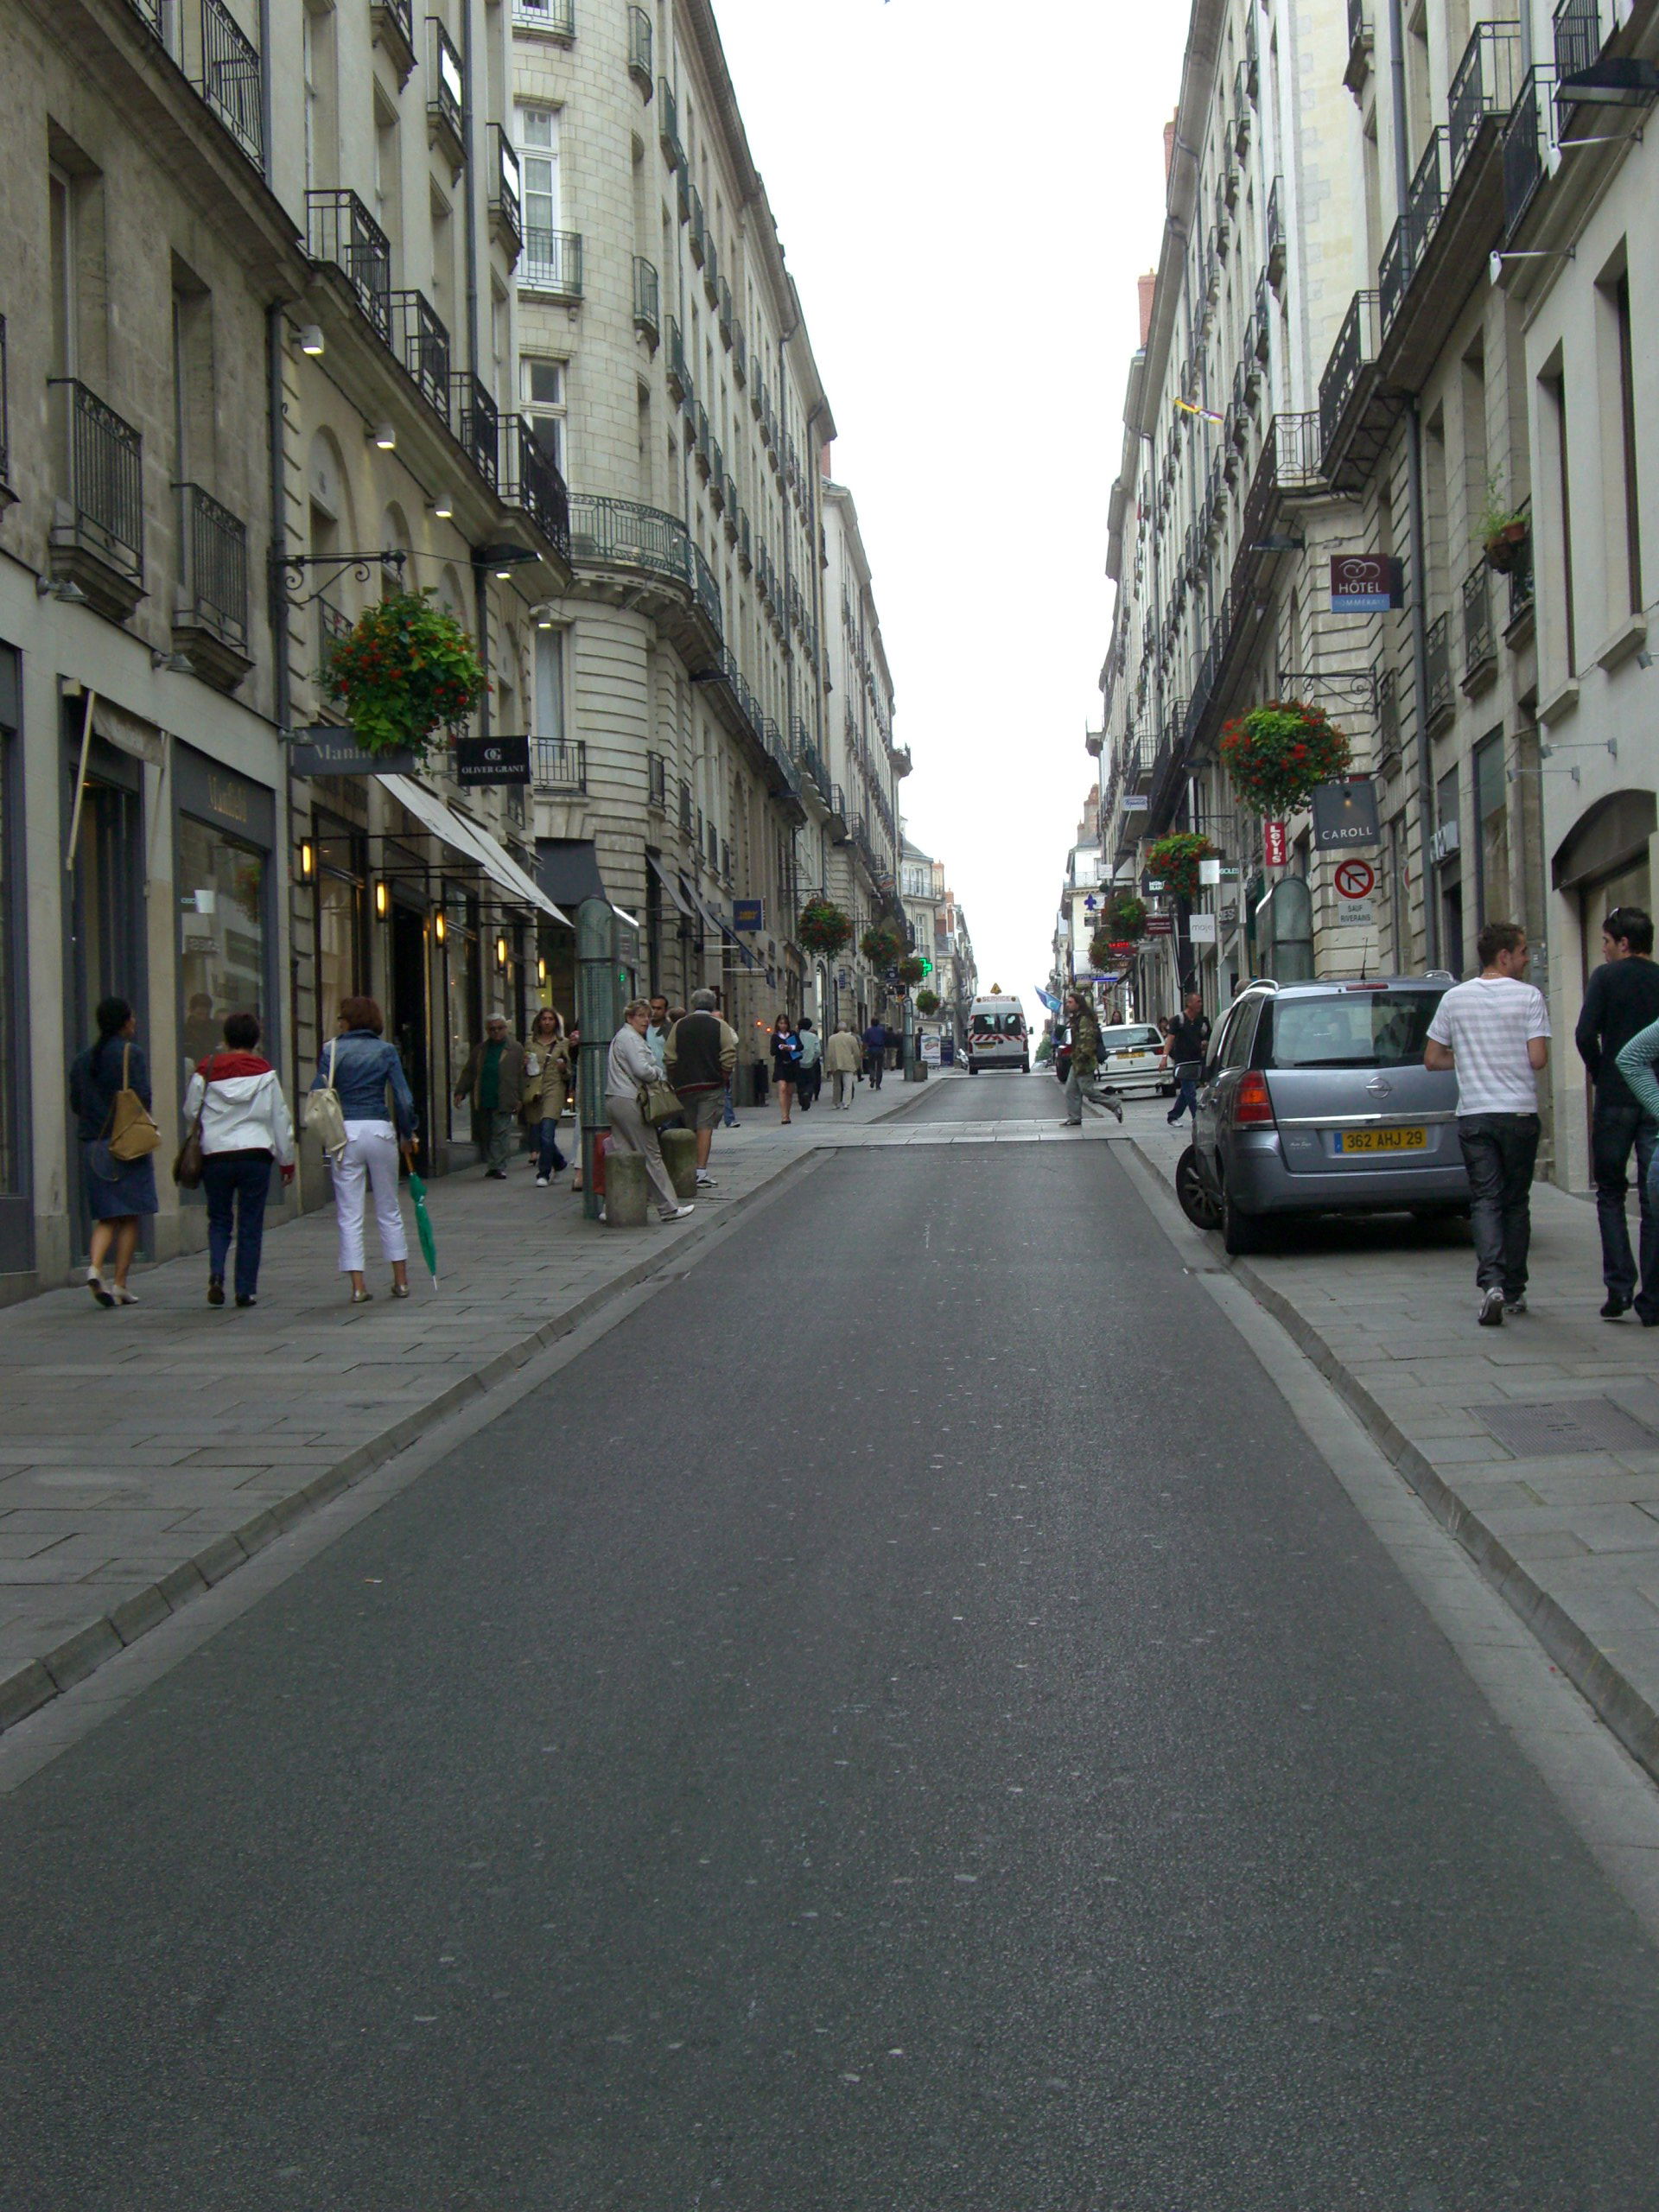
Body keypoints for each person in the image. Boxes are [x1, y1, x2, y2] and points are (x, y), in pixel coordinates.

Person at [1425, 920, 1550, 1327]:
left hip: (1476, 1113)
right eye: (1524, 951)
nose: (1528, 959)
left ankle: (1491, 1283)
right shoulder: (1529, 997)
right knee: (1515, 1202)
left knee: (1484, 1199)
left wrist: (1473, 1060)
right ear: (1504, 956)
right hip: (1518, 1113)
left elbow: (1433, 1059)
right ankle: (1514, 1290)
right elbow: (1537, 1059)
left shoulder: (1454, 999)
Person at [1574, 906, 1659, 1321]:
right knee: (1652, 1196)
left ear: (1624, 943)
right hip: (1654, 1098)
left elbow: (1584, 1033)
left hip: (1614, 1098)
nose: (1603, 950)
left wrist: (1600, 1069)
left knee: (1609, 1192)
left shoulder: (1605, 978)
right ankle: (1653, 1297)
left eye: (1606, 942)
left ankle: (1619, 1287)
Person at [181, 1011, 296, 1308]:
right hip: (255, 1154)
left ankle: (217, 1272)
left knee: (218, 1219)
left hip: (216, 1154)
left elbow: (191, 1111)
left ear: (226, 1038)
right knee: (250, 1223)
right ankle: (245, 1289)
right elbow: (280, 1119)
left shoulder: (205, 1071)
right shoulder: (265, 1073)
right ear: (255, 1039)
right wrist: (287, 1160)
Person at [313, 995, 418, 1304]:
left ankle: (358, 1286)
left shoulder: (331, 1050)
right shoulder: (386, 1051)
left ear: (349, 1020)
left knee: (349, 1211)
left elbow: (317, 1091)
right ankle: (401, 1280)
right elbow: (402, 1096)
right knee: (389, 1208)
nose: (339, 1021)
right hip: (380, 1129)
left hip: (345, 1132)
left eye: (342, 1017)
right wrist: (407, 1131)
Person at [69, 996, 158, 1308]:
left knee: (107, 1216)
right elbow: (143, 1097)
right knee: (130, 1215)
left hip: (94, 1145)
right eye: (132, 1018)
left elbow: (75, 1103)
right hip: (126, 1142)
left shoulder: (83, 1059)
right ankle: (120, 1282)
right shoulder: (130, 1054)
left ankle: (95, 1266)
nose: (135, 1022)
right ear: (124, 1022)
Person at [605, 999, 696, 1222]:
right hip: (631, 1099)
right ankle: (669, 1207)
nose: (646, 1020)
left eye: (647, 1015)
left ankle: (613, 1207)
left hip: (615, 1097)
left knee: (624, 1153)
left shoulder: (621, 1037)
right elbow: (642, 1070)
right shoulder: (631, 1039)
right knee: (651, 1153)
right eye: (640, 1016)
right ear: (630, 1018)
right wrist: (657, 1071)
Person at [666, 987, 739, 1188]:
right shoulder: (719, 1025)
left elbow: (670, 1056)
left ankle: (687, 1168)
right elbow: (728, 1052)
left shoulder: (680, 1025)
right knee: (705, 1127)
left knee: (690, 1127)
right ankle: (700, 1171)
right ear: (713, 1004)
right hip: (711, 1083)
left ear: (693, 1004)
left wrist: (675, 1076)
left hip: (685, 1085)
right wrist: (724, 1074)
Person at [454, 1013, 527, 1179]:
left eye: (500, 1028)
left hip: (505, 1096)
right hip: (484, 1096)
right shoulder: (480, 1050)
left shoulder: (515, 1048)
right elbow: (469, 1072)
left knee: (501, 1132)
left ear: (506, 1029)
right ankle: (493, 1163)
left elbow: (522, 1076)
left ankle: (498, 1165)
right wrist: (460, 1091)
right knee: (487, 1133)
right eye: (492, 1029)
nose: (496, 1032)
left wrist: (520, 1098)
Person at [522, 1007, 574, 1187]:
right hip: (535, 1089)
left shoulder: (562, 1043)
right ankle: (559, 1162)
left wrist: (563, 1069)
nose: (547, 1022)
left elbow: (569, 1073)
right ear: (538, 1022)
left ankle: (543, 1173)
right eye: (544, 1019)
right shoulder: (530, 1043)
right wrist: (524, 1065)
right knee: (539, 1131)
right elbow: (524, 1071)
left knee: (547, 1131)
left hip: (554, 1088)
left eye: (551, 1019)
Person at [1162, 992, 1211, 1126]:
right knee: (1190, 1092)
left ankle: (1173, 1116)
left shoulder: (1202, 1021)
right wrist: (1164, 1057)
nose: (1200, 1004)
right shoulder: (1178, 1020)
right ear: (1189, 1003)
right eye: (1198, 1002)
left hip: (1196, 1061)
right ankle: (1198, 1119)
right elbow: (1170, 1039)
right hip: (1183, 1061)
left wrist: (1205, 1043)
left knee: (1186, 1091)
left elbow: (1207, 1037)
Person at [771, 1014, 803, 1122]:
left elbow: (800, 1046)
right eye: (781, 1023)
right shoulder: (775, 1036)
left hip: (792, 1064)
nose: (783, 1026)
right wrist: (781, 1047)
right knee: (783, 1088)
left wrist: (791, 1047)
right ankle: (784, 1116)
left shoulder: (793, 1034)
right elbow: (772, 1052)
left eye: (784, 1023)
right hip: (781, 1065)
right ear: (777, 1024)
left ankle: (788, 1113)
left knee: (789, 1091)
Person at [825, 1020, 863, 1109]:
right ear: (846, 1029)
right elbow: (857, 1053)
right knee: (848, 1084)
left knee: (836, 1084)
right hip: (848, 1063)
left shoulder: (831, 1038)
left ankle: (836, 1102)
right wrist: (857, 1064)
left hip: (836, 1063)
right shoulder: (851, 1038)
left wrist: (829, 1066)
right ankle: (846, 1103)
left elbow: (829, 1053)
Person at [796, 1018, 823, 1110]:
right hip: (810, 1064)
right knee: (810, 1082)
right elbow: (818, 1051)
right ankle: (808, 1093)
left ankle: (802, 1100)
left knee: (800, 1083)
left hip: (798, 1064)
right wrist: (813, 1059)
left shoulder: (796, 1036)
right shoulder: (813, 1036)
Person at [645, 995, 671, 1073]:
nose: (654, 1012)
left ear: (665, 1010)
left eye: (659, 1009)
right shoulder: (642, 1028)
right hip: (646, 1075)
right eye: (652, 1008)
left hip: (666, 1077)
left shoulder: (671, 1029)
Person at [863, 1016, 887, 1090]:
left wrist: (864, 1050)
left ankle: (872, 1076)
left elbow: (864, 1042)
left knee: (871, 1065)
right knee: (879, 1067)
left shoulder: (868, 1031)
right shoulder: (882, 1030)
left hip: (871, 1049)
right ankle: (878, 1085)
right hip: (880, 1049)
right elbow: (885, 1039)